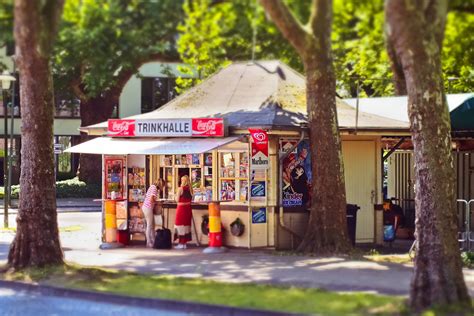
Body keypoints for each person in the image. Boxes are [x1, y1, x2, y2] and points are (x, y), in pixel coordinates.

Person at [142, 179, 164, 248]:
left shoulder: (152, 186)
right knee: (149, 225)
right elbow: (151, 199)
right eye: (162, 185)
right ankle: (149, 242)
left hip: (146, 207)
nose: (162, 187)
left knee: (150, 225)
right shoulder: (154, 188)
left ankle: (152, 241)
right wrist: (157, 201)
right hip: (148, 208)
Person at [174, 175, 193, 249]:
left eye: (182, 180)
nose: (181, 181)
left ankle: (181, 243)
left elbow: (177, 199)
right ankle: (184, 243)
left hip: (181, 208)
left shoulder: (180, 189)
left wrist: (175, 195)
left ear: (183, 181)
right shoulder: (190, 189)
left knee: (179, 225)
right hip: (188, 208)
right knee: (186, 225)